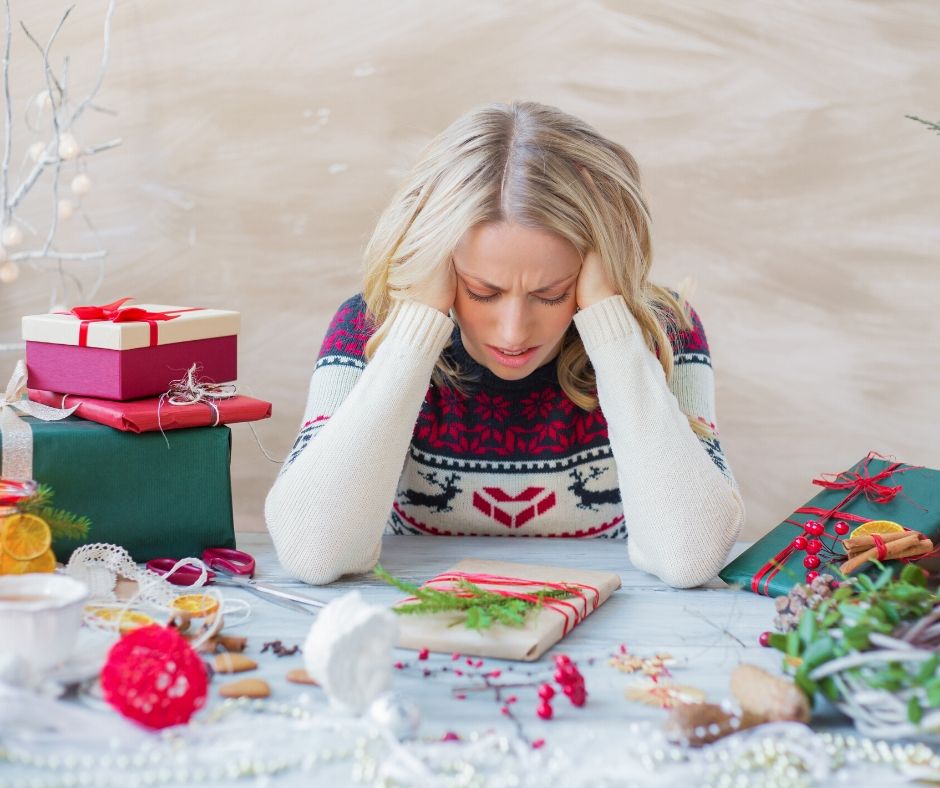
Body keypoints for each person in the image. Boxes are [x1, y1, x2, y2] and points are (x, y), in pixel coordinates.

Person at [265, 100, 745, 588]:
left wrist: (610, 320)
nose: (514, 332)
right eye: (483, 292)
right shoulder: (368, 327)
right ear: (442, 264)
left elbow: (690, 555)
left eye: (551, 294)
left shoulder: (664, 331)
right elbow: (313, 550)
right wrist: (416, 325)